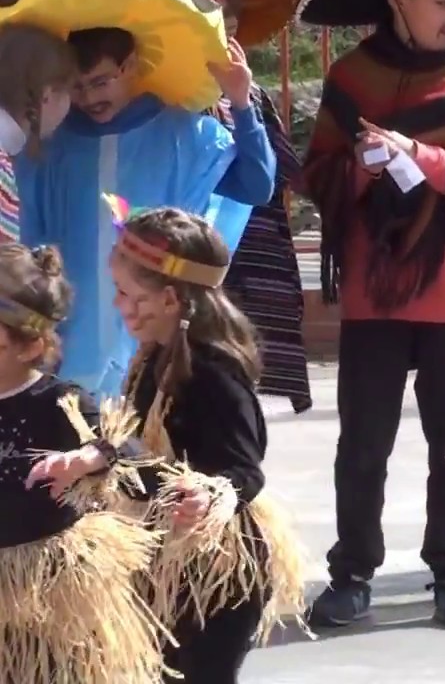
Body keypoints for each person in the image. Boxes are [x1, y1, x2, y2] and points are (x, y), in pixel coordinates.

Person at [297, 0, 445, 629]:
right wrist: (361, 168)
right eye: (442, 1)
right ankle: (352, 574)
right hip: (375, 290)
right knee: (363, 443)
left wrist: (422, 158)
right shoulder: (351, 77)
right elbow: (319, 174)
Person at [16, 10, 274, 396]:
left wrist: (241, 103)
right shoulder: (49, 145)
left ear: (132, 65)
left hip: (155, 338)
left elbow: (256, 186)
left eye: (101, 82)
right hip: (66, 345)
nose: (89, 98)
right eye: (77, 86)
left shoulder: (184, 134)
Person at [111, 208, 308, 683]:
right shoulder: (154, 356)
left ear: (170, 299)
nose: (118, 303)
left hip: (216, 578)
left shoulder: (214, 373)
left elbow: (245, 468)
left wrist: (210, 493)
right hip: (165, 560)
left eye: (128, 293)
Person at [0, 238, 167, 684]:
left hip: (44, 599)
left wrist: (93, 455)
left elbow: (139, 460)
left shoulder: (60, 403)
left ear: (30, 347)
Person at [174, 0, 315, 413]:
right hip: (178, 260)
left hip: (243, 257)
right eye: (217, 11)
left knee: (231, 383)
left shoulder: (249, 95)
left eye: (233, 12)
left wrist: (239, 103)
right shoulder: (164, 97)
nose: (230, 22)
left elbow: (263, 181)